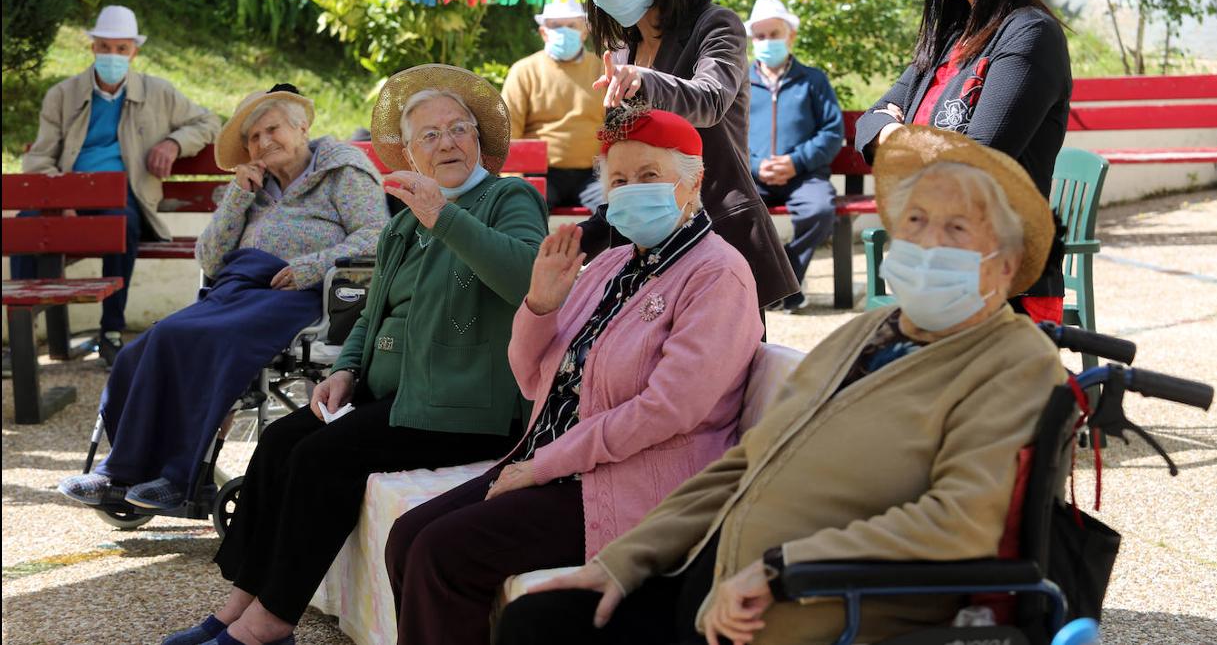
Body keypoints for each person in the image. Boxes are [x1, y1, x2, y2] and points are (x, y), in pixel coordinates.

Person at [496, 125, 1068, 645]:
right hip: (717, 580)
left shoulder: (1016, 360)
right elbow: (750, 460)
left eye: (957, 228)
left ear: (1004, 263)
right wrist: (625, 559)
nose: (927, 243)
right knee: (539, 622)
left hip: (814, 606)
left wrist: (784, 568)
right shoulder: (872, 331)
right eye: (914, 222)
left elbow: (958, 520)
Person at [157, 65, 548, 645]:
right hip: (397, 394)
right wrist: (345, 368)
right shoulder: (404, 222)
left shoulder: (506, 197)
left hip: (465, 407)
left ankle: (271, 623)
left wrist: (445, 218)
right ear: (410, 154)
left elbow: (528, 281)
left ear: (479, 138)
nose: (447, 143)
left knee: (322, 458)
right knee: (278, 443)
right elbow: (372, 311)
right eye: (430, 136)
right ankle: (240, 602)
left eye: (458, 129)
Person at [385, 108, 763, 645]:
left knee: (442, 552)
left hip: (630, 484)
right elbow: (532, 380)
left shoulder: (718, 273)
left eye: (649, 177)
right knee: (407, 537)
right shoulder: (610, 265)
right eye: (618, 181)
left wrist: (543, 467)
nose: (631, 192)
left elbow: (668, 408)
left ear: (692, 181)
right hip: (556, 465)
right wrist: (540, 304)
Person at [57, 83, 388, 510]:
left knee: (200, 340)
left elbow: (377, 235)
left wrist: (310, 267)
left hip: (299, 293)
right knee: (140, 350)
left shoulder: (343, 171)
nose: (264, 142)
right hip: (234, 287)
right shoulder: (254, 185)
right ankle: (121, 474)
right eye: (253, 137)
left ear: (302, 127)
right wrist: (238, 195)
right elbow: (211, 259)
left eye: (273, 129)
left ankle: (176, 477)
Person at [549, 0, 798, 311]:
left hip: (715, 229)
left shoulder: (716, 24)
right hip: (644, 242)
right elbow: (627, 165)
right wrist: (578, 239)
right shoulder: (621, 51)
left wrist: (646, 81)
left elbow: (711, 99)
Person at [853, 0, 1072, 323]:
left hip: (1002, 280)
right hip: (931, 266)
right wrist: (902, 135)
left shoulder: (1028, 34)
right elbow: (866, 124)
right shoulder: (947, 38)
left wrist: (894, 135)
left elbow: (977, 163)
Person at [14, 5, 219, 364]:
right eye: (105, 47)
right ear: (92, 48)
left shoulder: (158, 92)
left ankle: (110, 329)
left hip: (125, 195)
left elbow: (209, 121)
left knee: (121, 223)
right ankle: (22, 340)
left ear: (133, 52)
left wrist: (173, 143)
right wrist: (61, 196)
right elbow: (39, 158)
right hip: (69, 192)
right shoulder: (63, 95)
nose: (113, 56)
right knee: (22, 227)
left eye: (121, 49)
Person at [744, 0, 845, 312]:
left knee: (818, 209)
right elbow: (726, 136)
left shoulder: (813, 80)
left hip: (803, 176)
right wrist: (756, 165)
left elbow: (832, 131)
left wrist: (796, 161)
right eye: (760, 36)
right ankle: (782, 287)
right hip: (753, 178)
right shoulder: (738, 83)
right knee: (733, 213)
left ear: (790, 36)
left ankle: (783, 278)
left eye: (774, 34)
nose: (767, 42)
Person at [501, 0, 606, 211]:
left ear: (585, 31)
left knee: (615, 211)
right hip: (540, 173)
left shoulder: (602, 70)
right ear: (543, 32)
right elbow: (507, 131)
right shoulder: (524, 71)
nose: (564, 31)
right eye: (556, 26)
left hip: (594, 175)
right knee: (525, 211)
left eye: (571, 26)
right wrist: (513, 181)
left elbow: (617, 125)